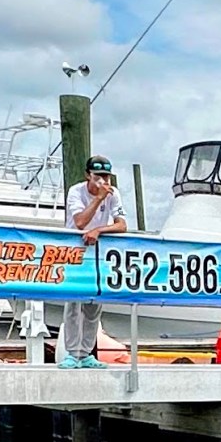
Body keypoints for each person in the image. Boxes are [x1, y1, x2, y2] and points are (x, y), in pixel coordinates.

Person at [60, 156, 128, 367]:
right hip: (75, 251)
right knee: (74, 304)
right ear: (88, 175)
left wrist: (99, 229)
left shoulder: (113, 193)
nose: (103, 180)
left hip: (97, 251)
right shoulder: (76, 191)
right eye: (98, 176)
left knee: (93, 304)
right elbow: (80, 222)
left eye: (106, 176)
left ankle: (86, 352)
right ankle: (72, 352)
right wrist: (98, 199)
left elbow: (122, 225)